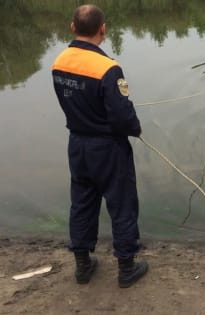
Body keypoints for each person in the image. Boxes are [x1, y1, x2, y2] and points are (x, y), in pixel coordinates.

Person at [51, 4, 148, 288]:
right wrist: (136, 129)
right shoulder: (108, 68)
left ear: (72, 27)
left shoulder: (59, 61)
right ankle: (127, 268)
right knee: (122, 205)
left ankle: (83, 266)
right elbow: (122, 116)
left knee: (81, 203)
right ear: (103, 29)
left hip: (77, 144)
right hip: (108, 148)